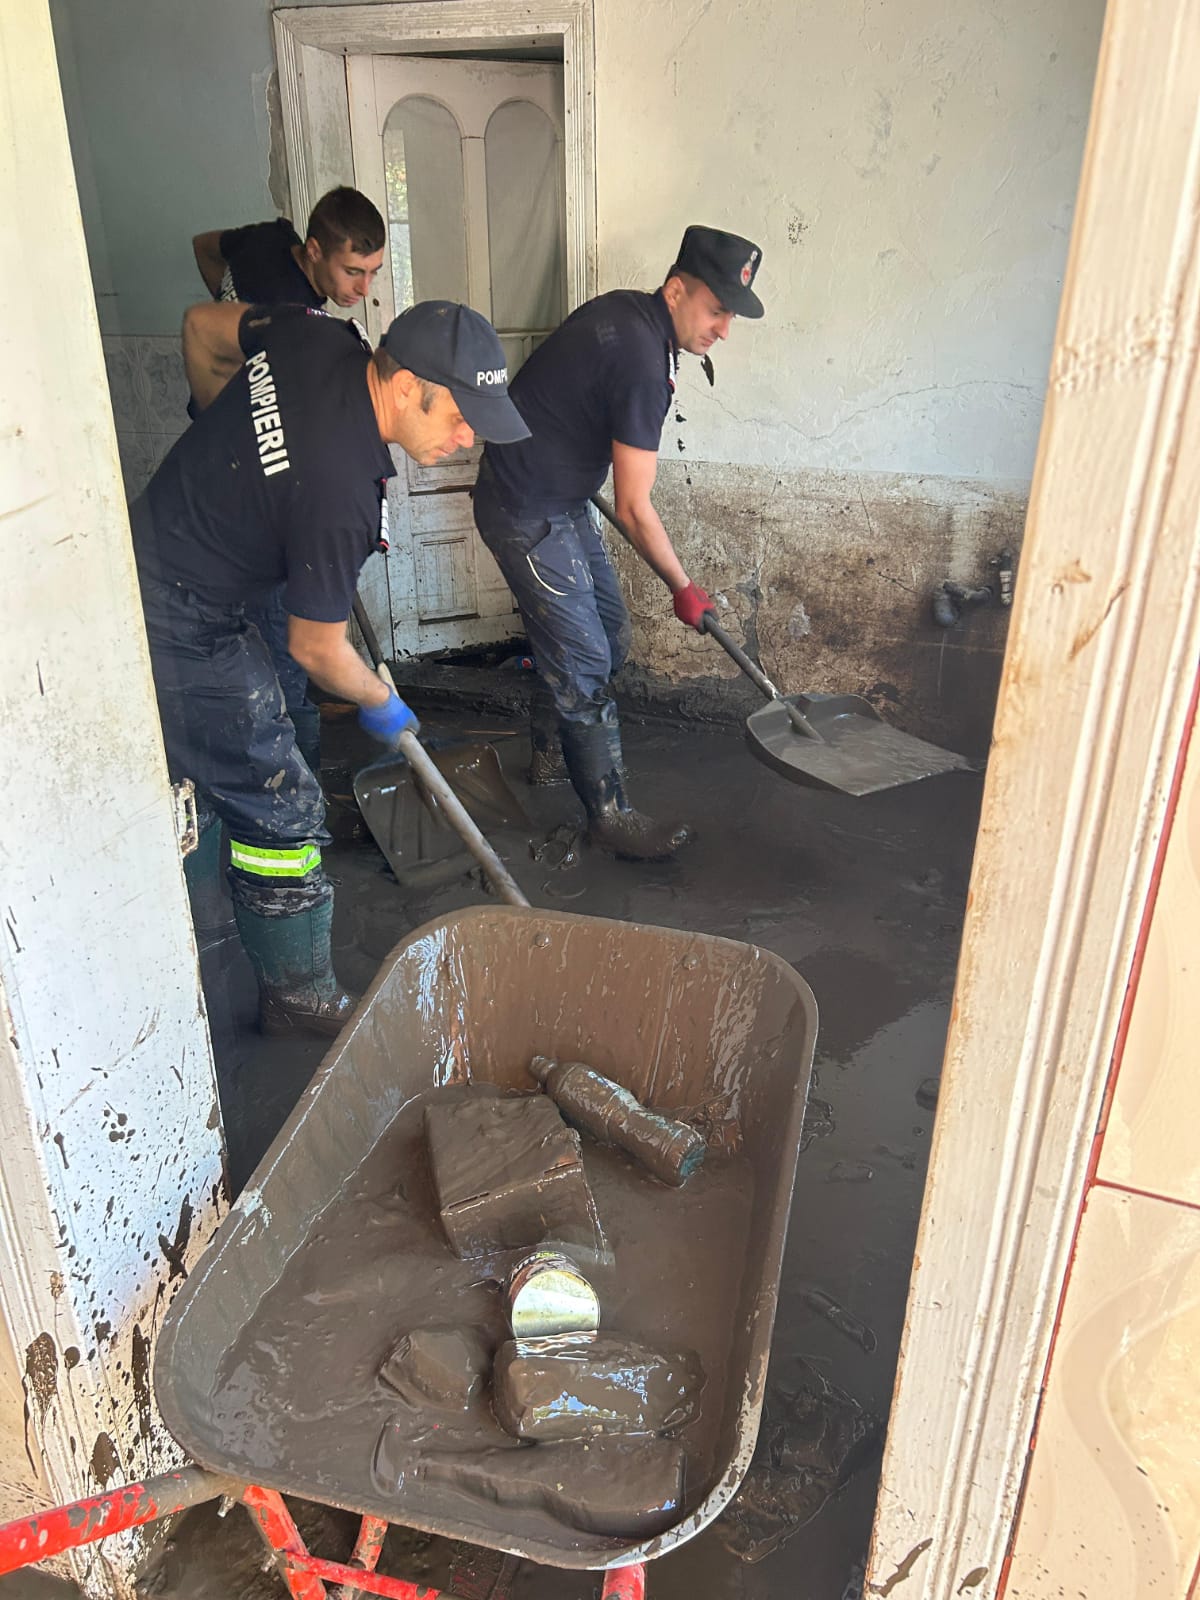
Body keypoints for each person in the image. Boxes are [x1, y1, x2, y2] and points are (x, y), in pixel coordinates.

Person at [132, 299, 528, 1037]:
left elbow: (201, 325)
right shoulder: (340, 488)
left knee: (239, 740)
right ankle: (297, 996)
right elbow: (316, 649)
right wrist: (381, 700)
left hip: (166, 536)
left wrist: (242, 463)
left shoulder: (316, 334)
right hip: (177, 610)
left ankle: (216, 904)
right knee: (280, 802)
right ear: (406, 386)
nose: (467, 438)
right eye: (459, 417)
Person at [472, 225, 764, 861]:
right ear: (676, 290)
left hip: (560, 497)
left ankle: (552, 751)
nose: (723, 330)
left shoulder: (634, 318)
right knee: (583, 662)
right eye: (716, 310)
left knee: (609, 636)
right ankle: (609, 815)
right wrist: (684, 588)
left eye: (731, 317)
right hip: (526, 507)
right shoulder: (641, 360)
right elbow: (633, 506)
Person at [190, 186, 388, 775]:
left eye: (373, 273)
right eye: (352, 271)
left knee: (279, 632)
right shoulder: (293, 317)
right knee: (283, 643)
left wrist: (230, 310)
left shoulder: (266, 238)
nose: (363, 289)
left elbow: (203, 246)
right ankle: (301, 787)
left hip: (228, 460)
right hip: (251, 484)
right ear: (315, 250)